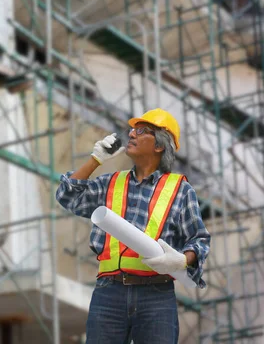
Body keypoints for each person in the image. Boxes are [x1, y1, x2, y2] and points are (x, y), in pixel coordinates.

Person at [55, 108, 211, 344]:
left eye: (141, 131)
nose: (131, 134)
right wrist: (95, 160)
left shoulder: (179, 190)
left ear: (159, 145)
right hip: (109, 290)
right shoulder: (111, 183)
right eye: (132, 130)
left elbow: (199, 240)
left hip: (156, 294)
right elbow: (67, 196)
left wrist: (182, 260)